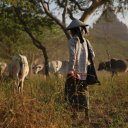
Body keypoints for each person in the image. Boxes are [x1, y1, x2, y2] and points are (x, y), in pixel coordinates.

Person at [64, 19, 95, 124]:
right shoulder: (87, 42)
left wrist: (71, 70)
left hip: (74, 72)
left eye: (71, 31)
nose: (70, 32)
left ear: (73, 31)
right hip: (84, 73)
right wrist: (86, 64)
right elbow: (93, 56)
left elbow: (72, 56)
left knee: (70, 92)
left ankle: (74, 114)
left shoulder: (72, 41)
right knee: (84, 92)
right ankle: (87, 117)